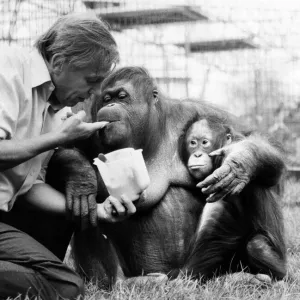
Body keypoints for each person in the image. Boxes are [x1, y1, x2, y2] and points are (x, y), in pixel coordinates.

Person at [0, 13, 139, 300]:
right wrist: (59, 139)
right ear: (60, 62)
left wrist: (98, 210)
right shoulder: (8, 67)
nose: (95, 93)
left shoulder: (57, 112)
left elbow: (29, 188)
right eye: (92, 80)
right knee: (63, 286)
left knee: (67, 286)